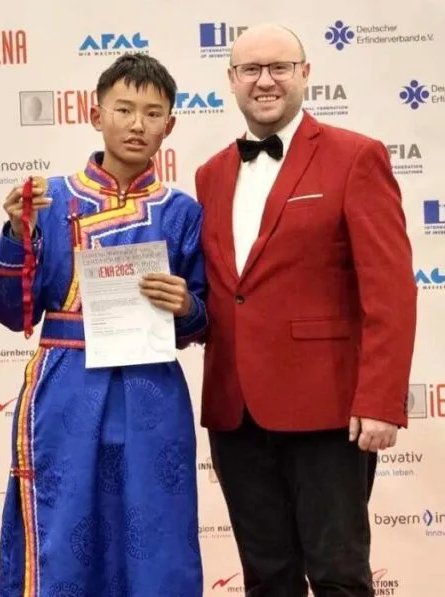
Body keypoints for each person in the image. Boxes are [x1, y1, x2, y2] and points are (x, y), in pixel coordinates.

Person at [194, 23, 417, 596]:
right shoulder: (210, 174)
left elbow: (390, 291)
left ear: (305, 73)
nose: (265, 81)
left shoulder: (356, 156)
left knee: (339, 577)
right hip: (236, 413)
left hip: (328, 410)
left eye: (280, 67)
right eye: (251, 69)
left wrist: (380, 401)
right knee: (267, 579)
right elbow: (222, 290)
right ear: (231, 79)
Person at [0, 53, 208, 596]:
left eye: (152, 114)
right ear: (95, 114)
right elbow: (12, 313)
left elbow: (202, 321)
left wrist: (186, 305)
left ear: (169, 126)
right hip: (66, 384)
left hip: (151, 391)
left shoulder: (182, 212)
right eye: (123, 109)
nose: (137, 124)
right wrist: (16, 232)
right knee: (63, 526)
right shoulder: (48, 199)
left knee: (156, 530)